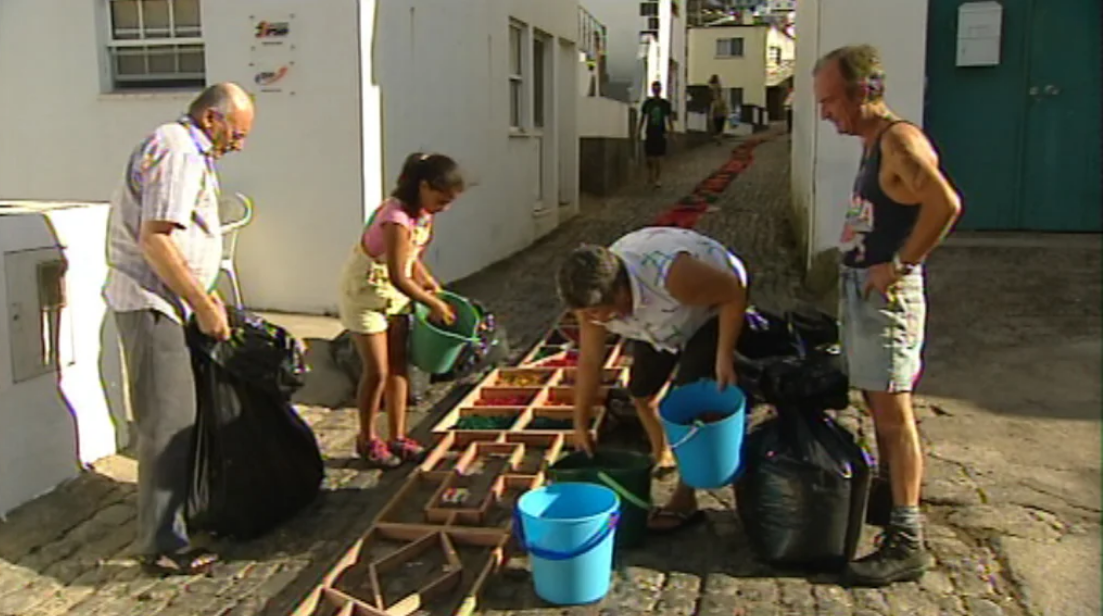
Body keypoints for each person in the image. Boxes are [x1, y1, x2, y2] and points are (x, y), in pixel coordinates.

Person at [813, 44, 962, 586]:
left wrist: (898, 265)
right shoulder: (872, 141)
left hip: (885, 299)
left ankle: (907, 537)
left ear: (862, 92)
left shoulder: (898, 141)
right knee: (878, 407)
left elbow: (945, 204)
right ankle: (890, 495)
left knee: (895, 419)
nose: (825, 113)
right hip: (861, 292)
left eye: (830, 101)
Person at [104, 82, 255, 575]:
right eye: (237, 131)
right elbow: (157, 240)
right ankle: (161, 544)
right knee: (167, 424)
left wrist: (205, 296)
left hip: (174, 305)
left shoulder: (189, 150)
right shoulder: (177, 150)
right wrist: (201, 304)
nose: (240, 142)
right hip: (154, 305)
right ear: (212, 118)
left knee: (180, 420)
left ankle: (177, 519)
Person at [556, 227, 749, 533]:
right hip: (657, 324)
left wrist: (724, 356)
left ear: (619, 292)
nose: (594, 320)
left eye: (598, 313)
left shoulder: (674, 276)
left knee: (687, 403)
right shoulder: (591, 300)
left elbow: (733, 292)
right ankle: (663, 452)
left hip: (711, 309)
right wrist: (579, 423)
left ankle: (685, 499)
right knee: (642, 393)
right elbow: (591, 360)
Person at [338, 153, 464, 469]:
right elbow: (397, 274)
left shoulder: (422, 214)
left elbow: (410, 260)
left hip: (393, 295)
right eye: (441, 198)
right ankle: (366, 439)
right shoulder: (395, 218)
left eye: (450, 202)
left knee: (399, 366)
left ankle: (398, 436)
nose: (444, 207)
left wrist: (430, 283)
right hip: (365, 294)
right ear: (423, 186)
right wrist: (431, 303)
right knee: (377, 370)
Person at [638, 81, 675, 189]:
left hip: (660, 132)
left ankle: (658, 178)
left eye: (658, 89)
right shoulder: (648, 103)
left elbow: (669, 119)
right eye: (654, 89)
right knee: (649, 157)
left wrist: (672, 132)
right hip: (650, 132)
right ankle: (650, 174)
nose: (656, 91)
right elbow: (643, 117)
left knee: (659, 157)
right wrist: (638, 130)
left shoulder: (665, 104)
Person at [708, 75, 730, 144]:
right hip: (720, 112)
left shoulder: (712, 87)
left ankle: (718, 137)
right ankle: (719, 137)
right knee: (720, 125)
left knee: (717, 125)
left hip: (717, 111)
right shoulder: (717, 87)